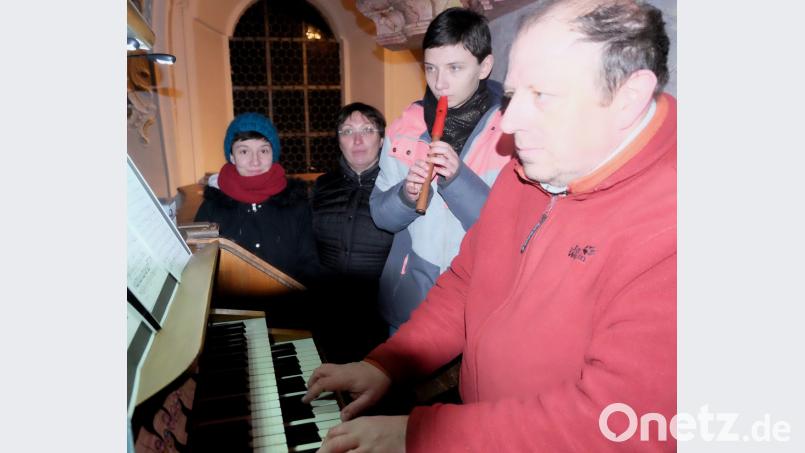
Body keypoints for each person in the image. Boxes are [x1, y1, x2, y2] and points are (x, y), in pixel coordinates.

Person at [303, 0, 677, 451]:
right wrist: (387, 364)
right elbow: (465, 283)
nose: (511, 124)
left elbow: (616, 426)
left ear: (628, 98)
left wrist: (420, 434)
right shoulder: (536, 166)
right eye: (513, 96)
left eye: (542, 96)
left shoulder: (675, 225)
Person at [370, 7, 513, 334]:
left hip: (480, 308)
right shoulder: (405, 127)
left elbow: (509, 230)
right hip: (411, 302)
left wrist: (459, 180)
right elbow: (380, 216)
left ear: (484, 67)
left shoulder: (513, 131)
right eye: (431, 68)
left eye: (454, 68)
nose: (439, 83)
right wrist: (406, 197)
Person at [194, 112, 319, 286]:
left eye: (263, 150)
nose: (255, 161)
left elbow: (310, 265)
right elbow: (199, 268)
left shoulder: (296, 204)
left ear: (273, 154)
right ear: (232, 156)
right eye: (244, 151)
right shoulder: (212, 207)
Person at [310, 103, 394, 362]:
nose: (357, 140)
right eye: (347, 131)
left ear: (382, 140)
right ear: (339, 141)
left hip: (380, 318)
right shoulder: (322, 186)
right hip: (325, 315)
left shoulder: (398, 188)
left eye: (367, 130)